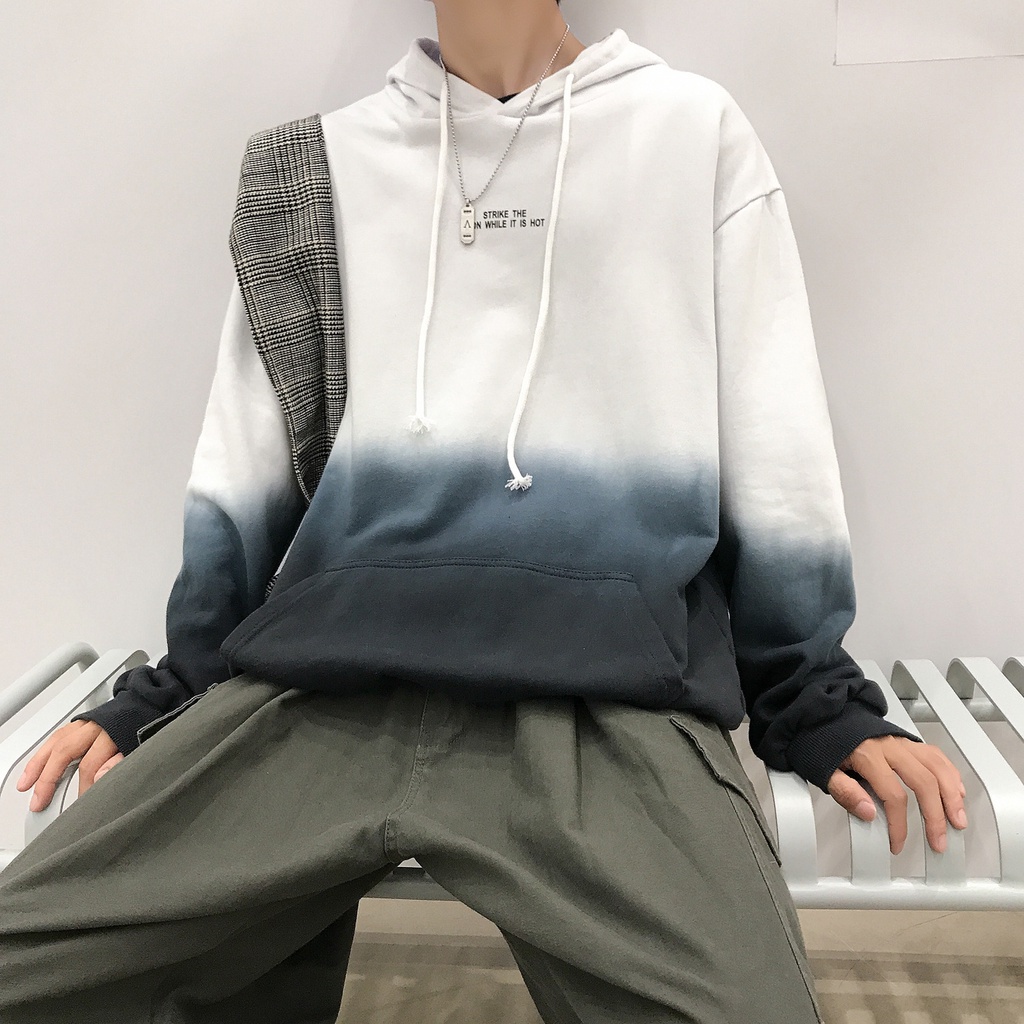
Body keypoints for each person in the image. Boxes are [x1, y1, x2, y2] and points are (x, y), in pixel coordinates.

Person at [0, 2, 968, 1022]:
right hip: (322, 690)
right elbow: (243, 469)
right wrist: (175, 688)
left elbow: (776, 447)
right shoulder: (310, 169)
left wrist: (809, 697)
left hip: (605, 705)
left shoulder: (693, 135)